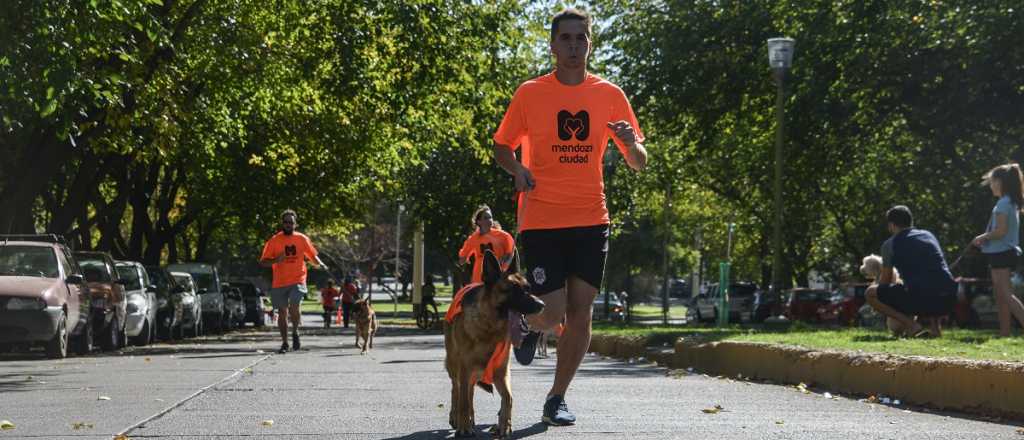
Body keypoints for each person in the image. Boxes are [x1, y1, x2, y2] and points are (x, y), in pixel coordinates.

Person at [491, 8, 647, 426]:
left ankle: (556, 397)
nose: (574, 46)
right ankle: (526, 319)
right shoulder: (530, 93)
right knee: (553, 313)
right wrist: (517, 169)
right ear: (553, 44)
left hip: (591, 218)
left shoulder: (609, 94)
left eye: (581, 39)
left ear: (590, 43)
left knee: (582, 312)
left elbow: (639, 162)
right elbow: (502, 145)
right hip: (542, 218)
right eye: (566, 39)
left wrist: (632, 145)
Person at [865, 206, 957, 338]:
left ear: (891, 225)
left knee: (870, 293)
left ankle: (911, 325)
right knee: (933, 280)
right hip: (948, 298)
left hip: (922, 298)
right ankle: (935, 329)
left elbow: (885, 281)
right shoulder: (928, 235)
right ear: (911, 222)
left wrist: (886, 301)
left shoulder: (890, 244)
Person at [260, 209, 327, 354]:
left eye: (291, 222)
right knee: (282, 312)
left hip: (298, 279)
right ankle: (285, 342)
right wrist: (276, 260)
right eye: (286, 222)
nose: (288, 225)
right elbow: (263, 262)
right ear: (282, 224)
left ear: (295, 224)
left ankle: (295, 331)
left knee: (294, 305)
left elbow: (313, 256)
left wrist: (321, 264)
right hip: (279, 282)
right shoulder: (274, 241)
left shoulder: (302, 239)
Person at [973, 164, 1024, 336]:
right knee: (1000, 294)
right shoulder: (1010, 202)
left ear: (1001, 182)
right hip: (1003, 252)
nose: (991, 185)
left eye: (993, 181)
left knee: (1006, 294)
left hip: (1001, 252)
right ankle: (1004, 332)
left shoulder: (1003, 203)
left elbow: (1000, 231)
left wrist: (982, 237)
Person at [458, 205, 515, 284]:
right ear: (479, 222)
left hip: (498, 275)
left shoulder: (504, 236)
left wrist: (505, 263)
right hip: (479, 277)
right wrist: (463, 258)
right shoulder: (473, 238)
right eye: (486, 218)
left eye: (490, 217)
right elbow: (462, 259)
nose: (489, 220)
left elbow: (510, 253)